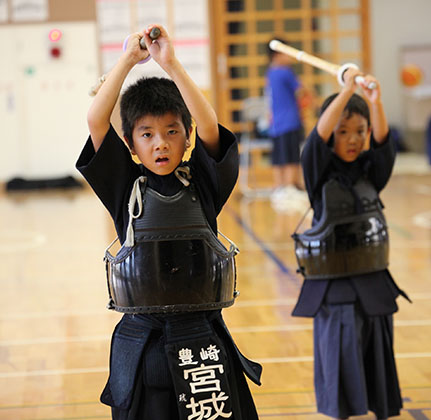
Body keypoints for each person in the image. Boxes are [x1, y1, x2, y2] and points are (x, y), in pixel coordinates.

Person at [77, 25, 261, 419]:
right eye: (147, 134)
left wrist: (172, 64)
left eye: (171, 131)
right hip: (143, 343)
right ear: (130, 144)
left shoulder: (204, 184)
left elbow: (211, 128)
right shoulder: (124, 187)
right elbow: (96, 121)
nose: (160, 142)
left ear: (186, 135)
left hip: (201, 340)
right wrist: (127, 61)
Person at [292, 67, 409, 420]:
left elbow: (385, 146)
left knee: (377, 366)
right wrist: (345, 90)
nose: (353, 139)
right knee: (339, 365)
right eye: (343, 132)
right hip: (334, 288)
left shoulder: (371, 173)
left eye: (360, 131)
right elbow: (315, 139)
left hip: (373, 284)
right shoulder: (319, 174)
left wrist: (375, 101)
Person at [265, 38, 310, 209]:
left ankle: (279, 186)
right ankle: (290, 186)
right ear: (276, 55)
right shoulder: (286, 72)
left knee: (279, 156)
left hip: (276, 123)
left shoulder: (270, 72)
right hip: (289, 121)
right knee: (291, 154)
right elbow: (301, 91)